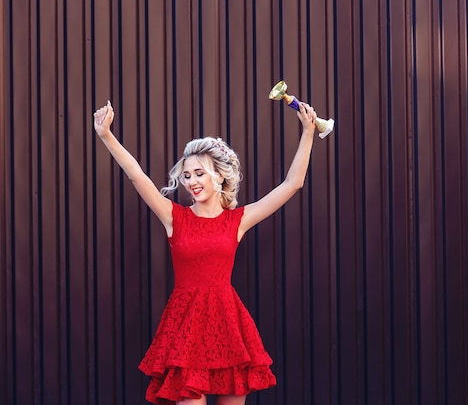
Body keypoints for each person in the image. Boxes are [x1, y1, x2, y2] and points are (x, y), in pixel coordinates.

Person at [93, 99, 318, 405]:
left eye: (199, 173)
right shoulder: (174, 217)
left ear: (219, 175)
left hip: (228, 324)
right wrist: (106, 135)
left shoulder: (237, 221)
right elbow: (137, 175)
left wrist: (307, 133)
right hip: (186, 327)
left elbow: (293, 183)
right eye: (186, 175)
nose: (191, 182)